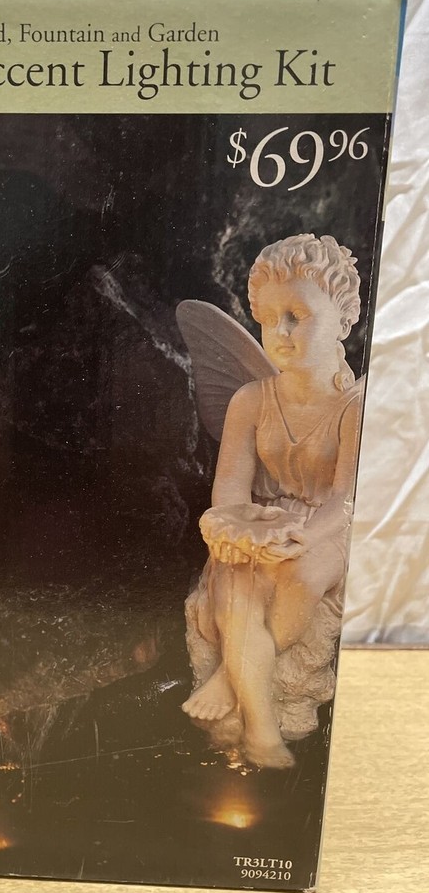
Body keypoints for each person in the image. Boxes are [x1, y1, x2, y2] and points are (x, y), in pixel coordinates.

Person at [182, 234, 363, 768]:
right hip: (262, 520)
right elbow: (230, 490)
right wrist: (236, 528)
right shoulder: (250, 399)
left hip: (327, 530)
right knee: (236, 579)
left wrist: (297, 536)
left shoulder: (356, 406)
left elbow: (346, 499)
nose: (279, 333)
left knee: (300, 578)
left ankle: (227, 677)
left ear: (344, 320)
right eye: (267, 319)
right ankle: (262, 732)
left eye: (296, 317)